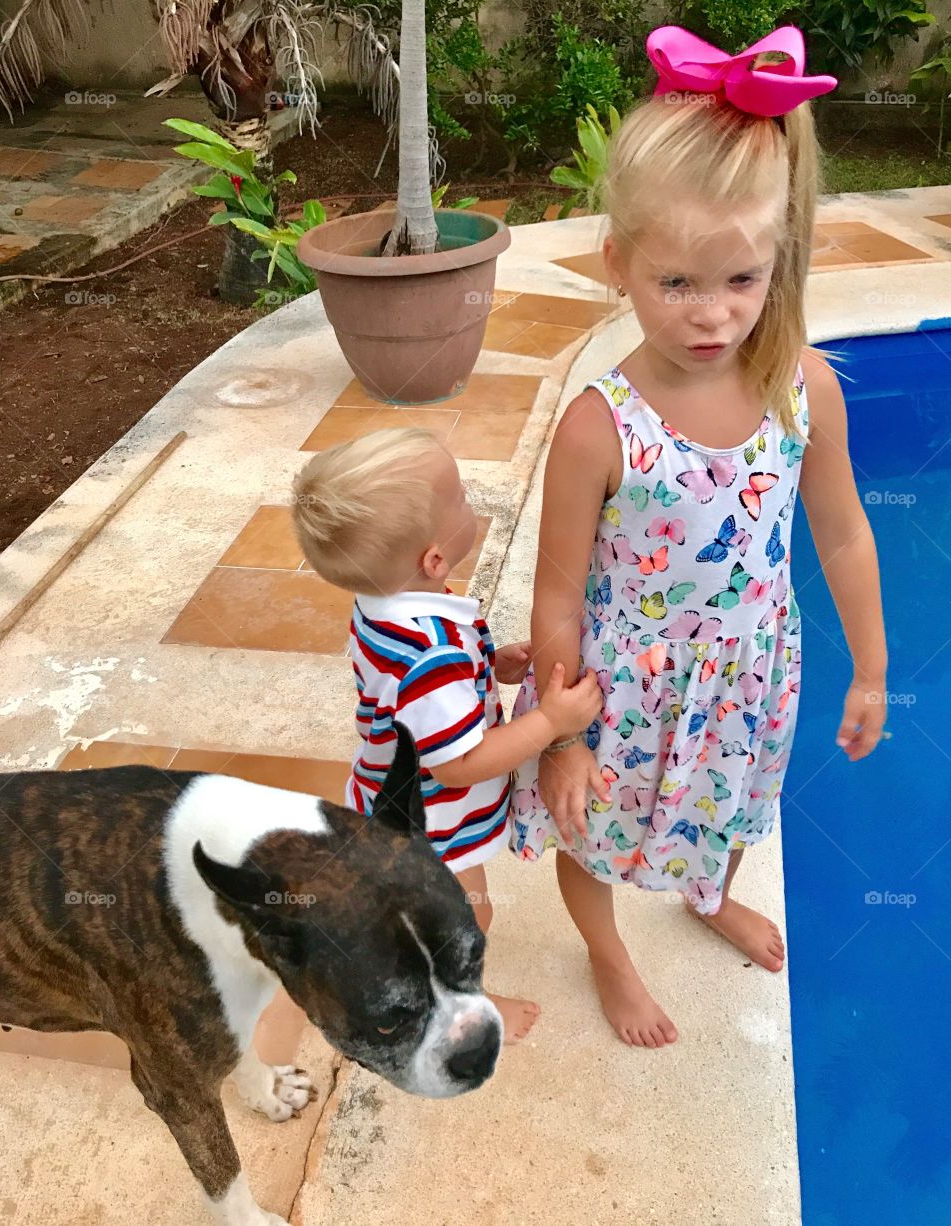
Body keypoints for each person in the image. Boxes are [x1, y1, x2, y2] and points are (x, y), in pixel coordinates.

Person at [510, 25, 888, 1048]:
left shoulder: (800, 389)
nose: (713, 315)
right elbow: (555, 596)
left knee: (725, 816)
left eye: (742, 280)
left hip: (748, 678)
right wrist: (562, 738)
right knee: (591, 836)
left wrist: (872, 666)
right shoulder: (600, 425)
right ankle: (607, 947)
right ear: (620, 261)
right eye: (677, 283)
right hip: (619, 685)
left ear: (777, 259)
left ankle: (707, 892)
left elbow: (845, 532)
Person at [292, 427, 603, 1041]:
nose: (472, 501)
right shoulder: (429, 653)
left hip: (386, 798)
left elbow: (421, 704)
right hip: (430, 824)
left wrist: (490, 671)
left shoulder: (386, 604)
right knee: (466, 917)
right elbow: (459, 764)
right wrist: (551, 724)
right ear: (433, 559)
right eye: (459, 497)